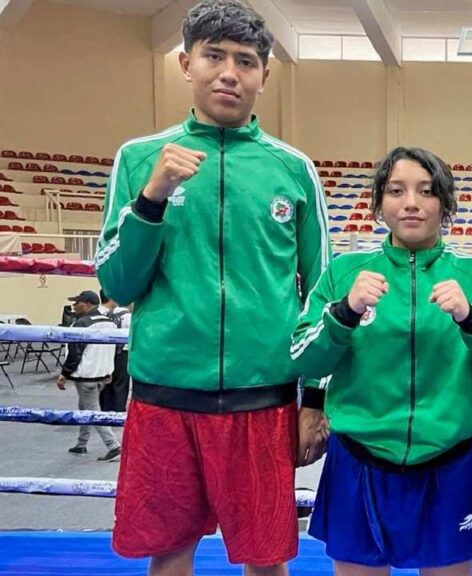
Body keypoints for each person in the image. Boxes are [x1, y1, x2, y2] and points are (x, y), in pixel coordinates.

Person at [96, 1, 331, 573]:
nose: (230, 72)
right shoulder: (139, 159)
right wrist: (152, 197)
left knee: (265, 558)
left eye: (246, 61)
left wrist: (315, 402)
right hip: (164, 395)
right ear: (186, 63)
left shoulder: (293, 169)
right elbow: (118, 283)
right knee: (169, 553)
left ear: (264, 76)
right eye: (215, 56)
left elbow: (321, 295)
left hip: (263, 399)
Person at [291, 147, 472, 575]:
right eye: (397, 190)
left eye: (427, 191)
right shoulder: (345, 272)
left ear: (446, 203)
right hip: (359, 459)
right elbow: (305, 355)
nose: (412, 202)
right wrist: (344, 312)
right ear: (380, 203)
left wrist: (471, 319)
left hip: (449, 460)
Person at [59, 290, 121, 461]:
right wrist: (110, 370)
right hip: (103, 374)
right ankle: (81, 443)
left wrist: (64, 373)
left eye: (77, 302)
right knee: (85, 408)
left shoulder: (82, 324)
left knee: (92, 411)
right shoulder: (111, 321)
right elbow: (114, 349)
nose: (74, 305)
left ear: (87, 304)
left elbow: (74, 353)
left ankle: (113, 444)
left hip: (86, 375)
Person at [98, 289, 131, 412]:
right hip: (123, 352)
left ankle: (105, 408)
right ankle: (119, 410)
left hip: (107, 351)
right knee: (121, 384)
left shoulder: (105, 314)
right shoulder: (128, 317)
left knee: (107, 381)